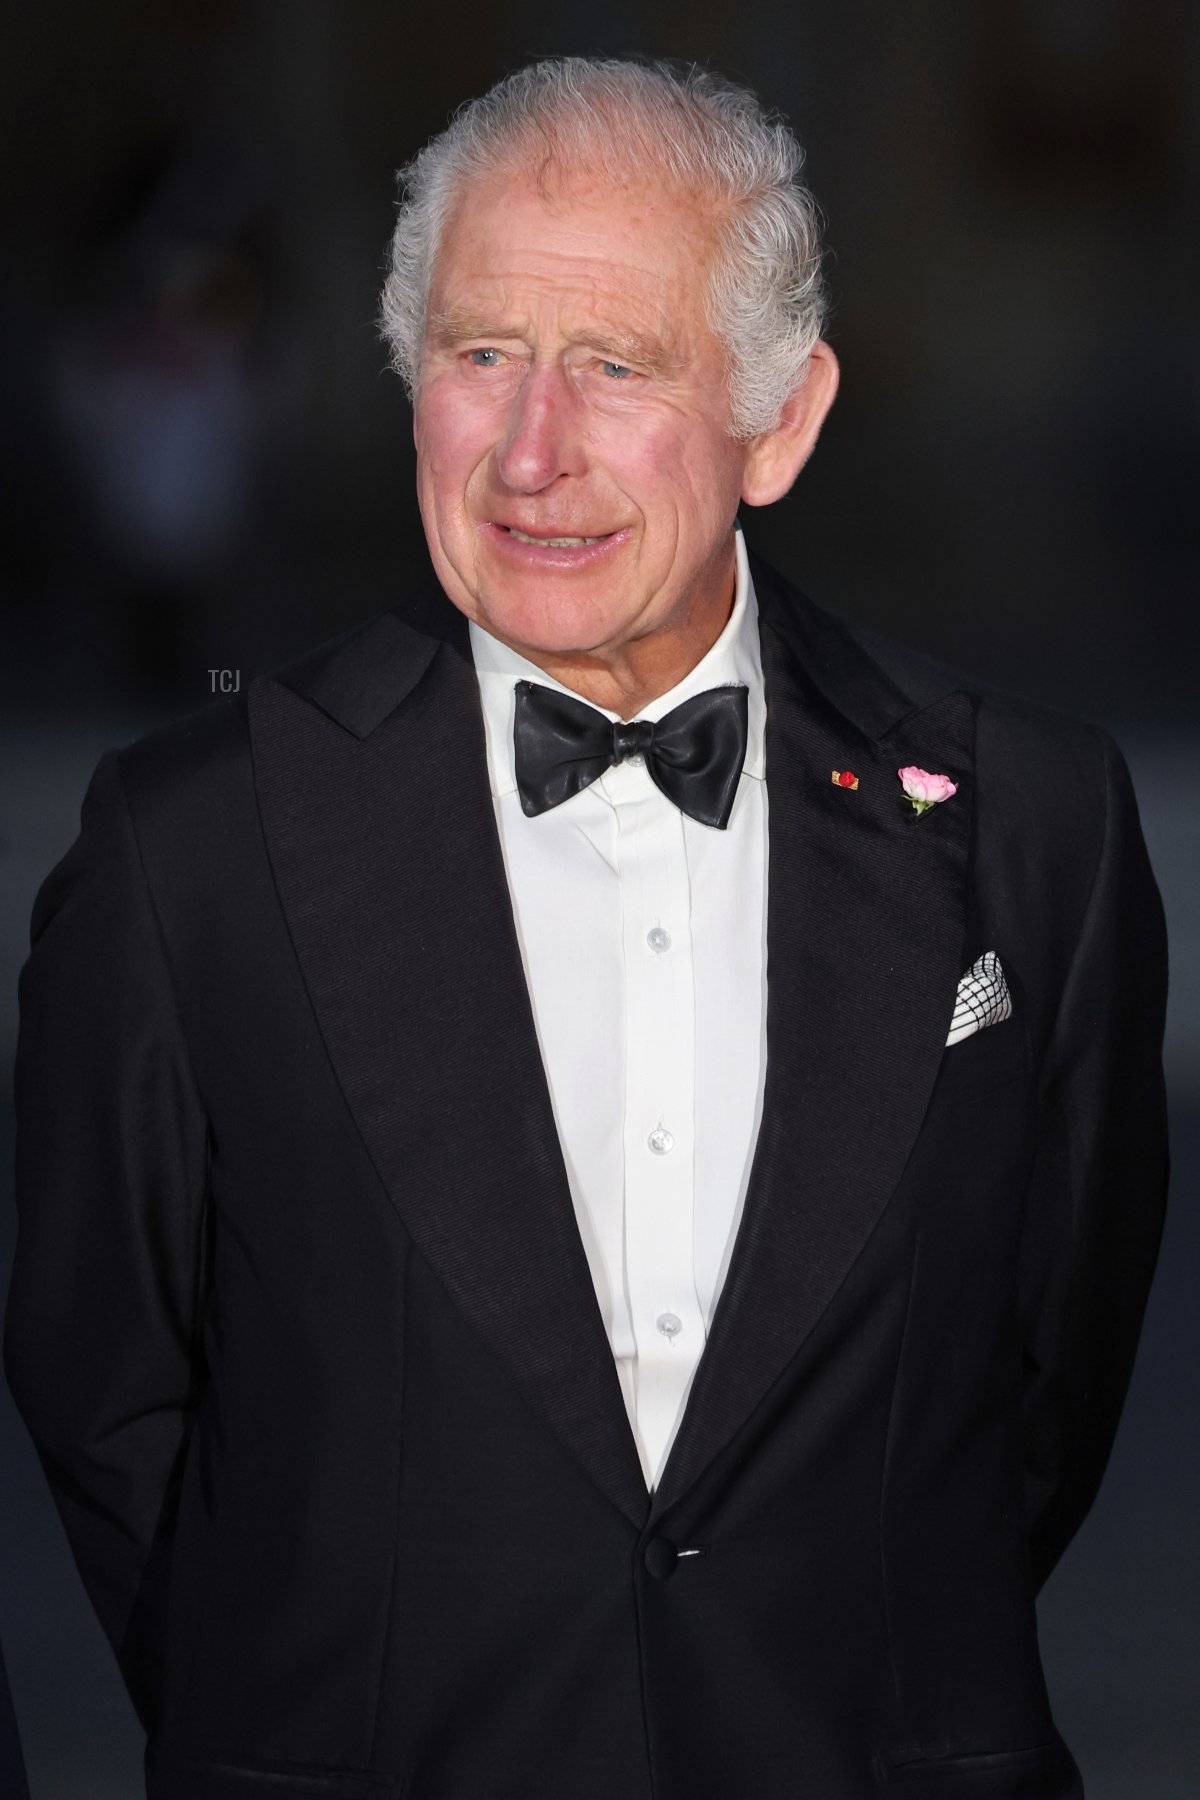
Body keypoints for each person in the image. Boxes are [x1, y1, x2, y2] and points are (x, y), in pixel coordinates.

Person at [4, 56, 1168, 1800]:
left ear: (780, 423)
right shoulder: (190, 850)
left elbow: (1042, 1392)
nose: (530, 453)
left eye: (615, 367)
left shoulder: (1035, 828)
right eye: (481, 357)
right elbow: (108, 1399)